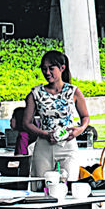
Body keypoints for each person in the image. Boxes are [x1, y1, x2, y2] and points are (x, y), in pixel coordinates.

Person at [22, 50, 90, 178]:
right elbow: (26, 123)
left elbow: (85, 116)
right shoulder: (35, 93)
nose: (47, 73)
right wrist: (45, 134)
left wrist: (79, 130)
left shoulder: (73, 91)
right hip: (44, 145)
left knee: (69, 182)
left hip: (68, 145)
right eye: (44, 69)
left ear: (62, 68)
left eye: (51, 69)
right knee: (43, 185)